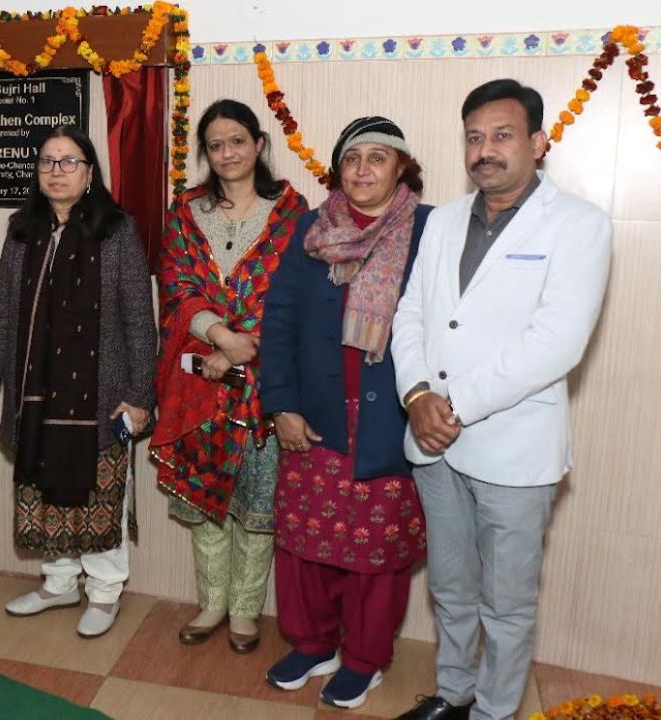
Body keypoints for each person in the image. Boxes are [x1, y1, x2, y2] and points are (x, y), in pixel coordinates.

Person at [391, 79, 612, 720]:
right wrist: (416, 394)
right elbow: (412, 314)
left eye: (502, 135)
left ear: (538, 143)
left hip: (514, 450)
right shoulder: (442, 221)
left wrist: (451, 405)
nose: (485, 150)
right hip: (433, 443)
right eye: (474, 137)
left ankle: (493, 711)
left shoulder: (579, 225)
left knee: (507, 605)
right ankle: (454, 692)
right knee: (451, 587)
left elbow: (557, 343)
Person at [260, 117, 432, 707]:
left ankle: (364, 658)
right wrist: (280, 403)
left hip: (390, 420)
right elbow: (279, 320)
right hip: (314, 415)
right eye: (352, 158)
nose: (362, 170)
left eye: (377, 158)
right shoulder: (311, 229)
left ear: (401, 167)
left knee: (374, 551)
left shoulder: (428, 229)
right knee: (304, 542)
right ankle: (313, 645)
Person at [0, 125, 156, 638]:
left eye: (69, 161)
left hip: (102, 396)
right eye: (47, 161)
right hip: (35, 394)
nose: (57, 171)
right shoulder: (22, 232)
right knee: (44, 488)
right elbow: (1, 316)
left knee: (99, 492)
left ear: (89, 172)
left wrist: (139, 396)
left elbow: (140, 321)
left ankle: (104, 591)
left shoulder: (116, 232)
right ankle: (59, 583)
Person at [151, 99, 307, 653]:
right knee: (205, 499)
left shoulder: (292, 214)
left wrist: (246, 349)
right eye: (215, 145)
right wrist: (220, 337)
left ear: (258, 144)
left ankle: (244, 610)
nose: (227, 153)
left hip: (266, 381)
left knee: (257, 503)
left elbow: (295, 297)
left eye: (237, 141)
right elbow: (175, 287)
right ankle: (212, 603)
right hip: (199, 381)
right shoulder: (186, 212)